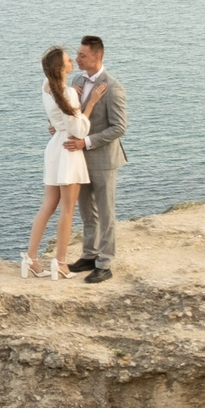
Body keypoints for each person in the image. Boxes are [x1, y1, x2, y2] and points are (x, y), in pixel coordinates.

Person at [23, 47, 91, 279]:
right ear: (61, 69)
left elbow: (59, 109)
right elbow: (78, 128)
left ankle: (31, 258)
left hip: (54, 148)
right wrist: (88, 106)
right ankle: (60, 263)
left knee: (47, 206)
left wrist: (70, 91)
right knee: (67, 210)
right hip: (68, 149)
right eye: (68, 60)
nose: (72, 61)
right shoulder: (68, 94)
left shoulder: (46, 86)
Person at [68, 35, 128, 282]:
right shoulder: (76, 81)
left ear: (97, 56)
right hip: (79, 159)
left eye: (82, 55)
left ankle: (104, 263)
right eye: (77, 54)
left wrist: (87, 142)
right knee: (86, 211)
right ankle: (89, 254)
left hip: (103, 159)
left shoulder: (113, 87)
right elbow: (75, 117)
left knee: (106, 213)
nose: (77, 58)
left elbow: (119, 127)